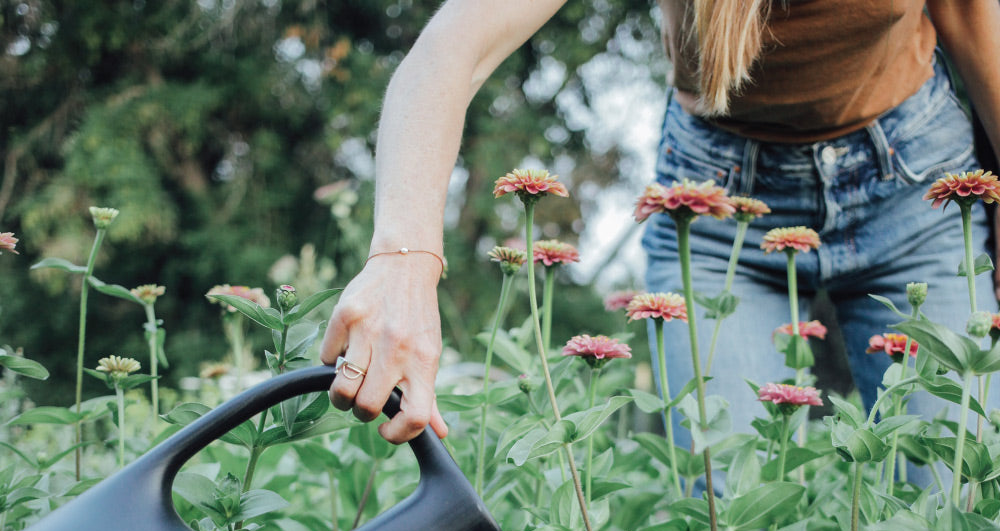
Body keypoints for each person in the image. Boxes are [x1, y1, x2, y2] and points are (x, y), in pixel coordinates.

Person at [320, 0, 1000, 448]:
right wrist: (402, 261)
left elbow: (973, 16)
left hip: (917, 184)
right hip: (708, 207)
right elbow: (449, 54)